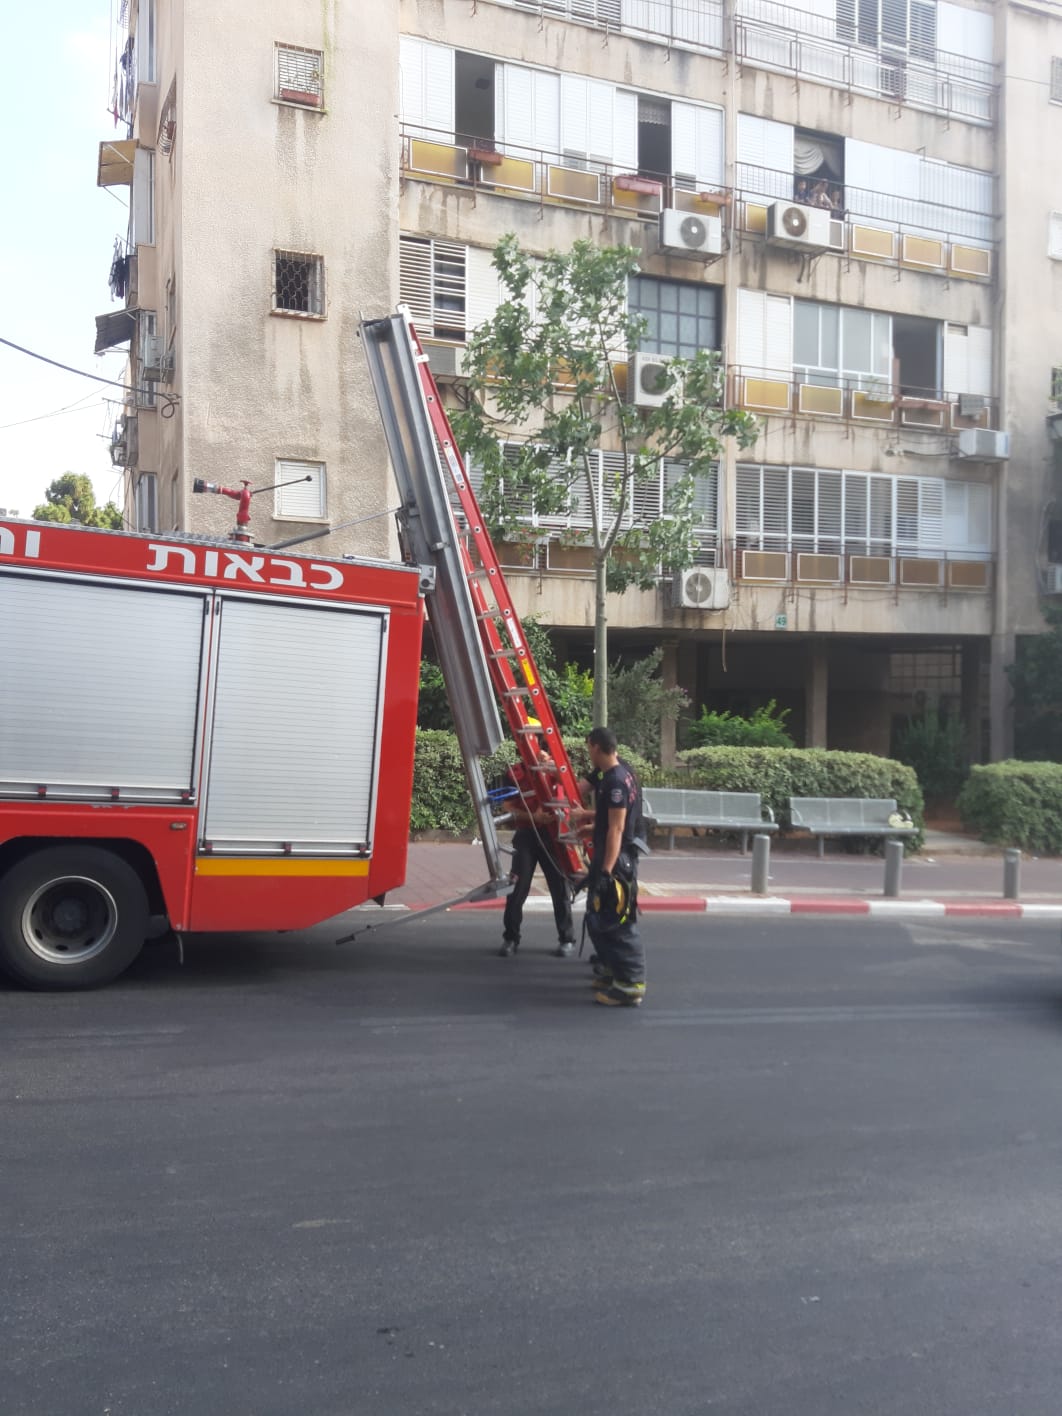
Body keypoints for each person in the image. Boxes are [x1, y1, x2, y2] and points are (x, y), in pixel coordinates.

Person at [581, 726, 646, 1008]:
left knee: (617, 921)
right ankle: (611, 969)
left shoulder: (616, 781)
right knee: (596, 915)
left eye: (588, 748)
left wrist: (606, 871)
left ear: (596, 747)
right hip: (613, 857)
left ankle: (630, 985)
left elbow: (616, 829)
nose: (588, 753)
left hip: (617, 860)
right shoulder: (618, 774)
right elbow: (609, 819)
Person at [499, 733, 576, 959]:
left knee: (559, 887)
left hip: (553, 835)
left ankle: (567, 938)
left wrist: (553, 769)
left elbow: (572, 789)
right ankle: (510, 938)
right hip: (527, 834)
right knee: (517, 888)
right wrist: (531, 816)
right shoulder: (514, 773)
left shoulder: (554, 768)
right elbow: (507, 805)